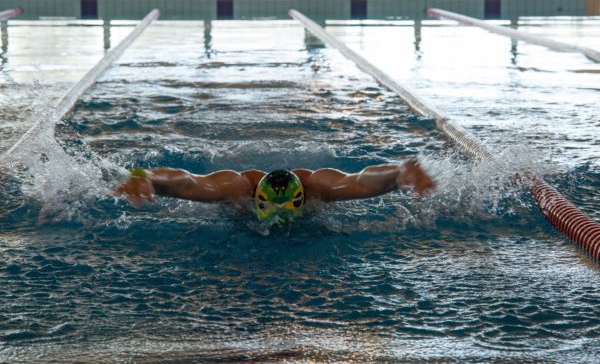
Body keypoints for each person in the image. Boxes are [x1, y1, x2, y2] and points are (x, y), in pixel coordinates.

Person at [115, 159, 435, 223]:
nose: (280, 219)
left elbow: (363, 179)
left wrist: (400, 171)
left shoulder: (318, 187)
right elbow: (186, 181)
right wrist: (145, 177)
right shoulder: (236, 187)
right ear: (258, 199)